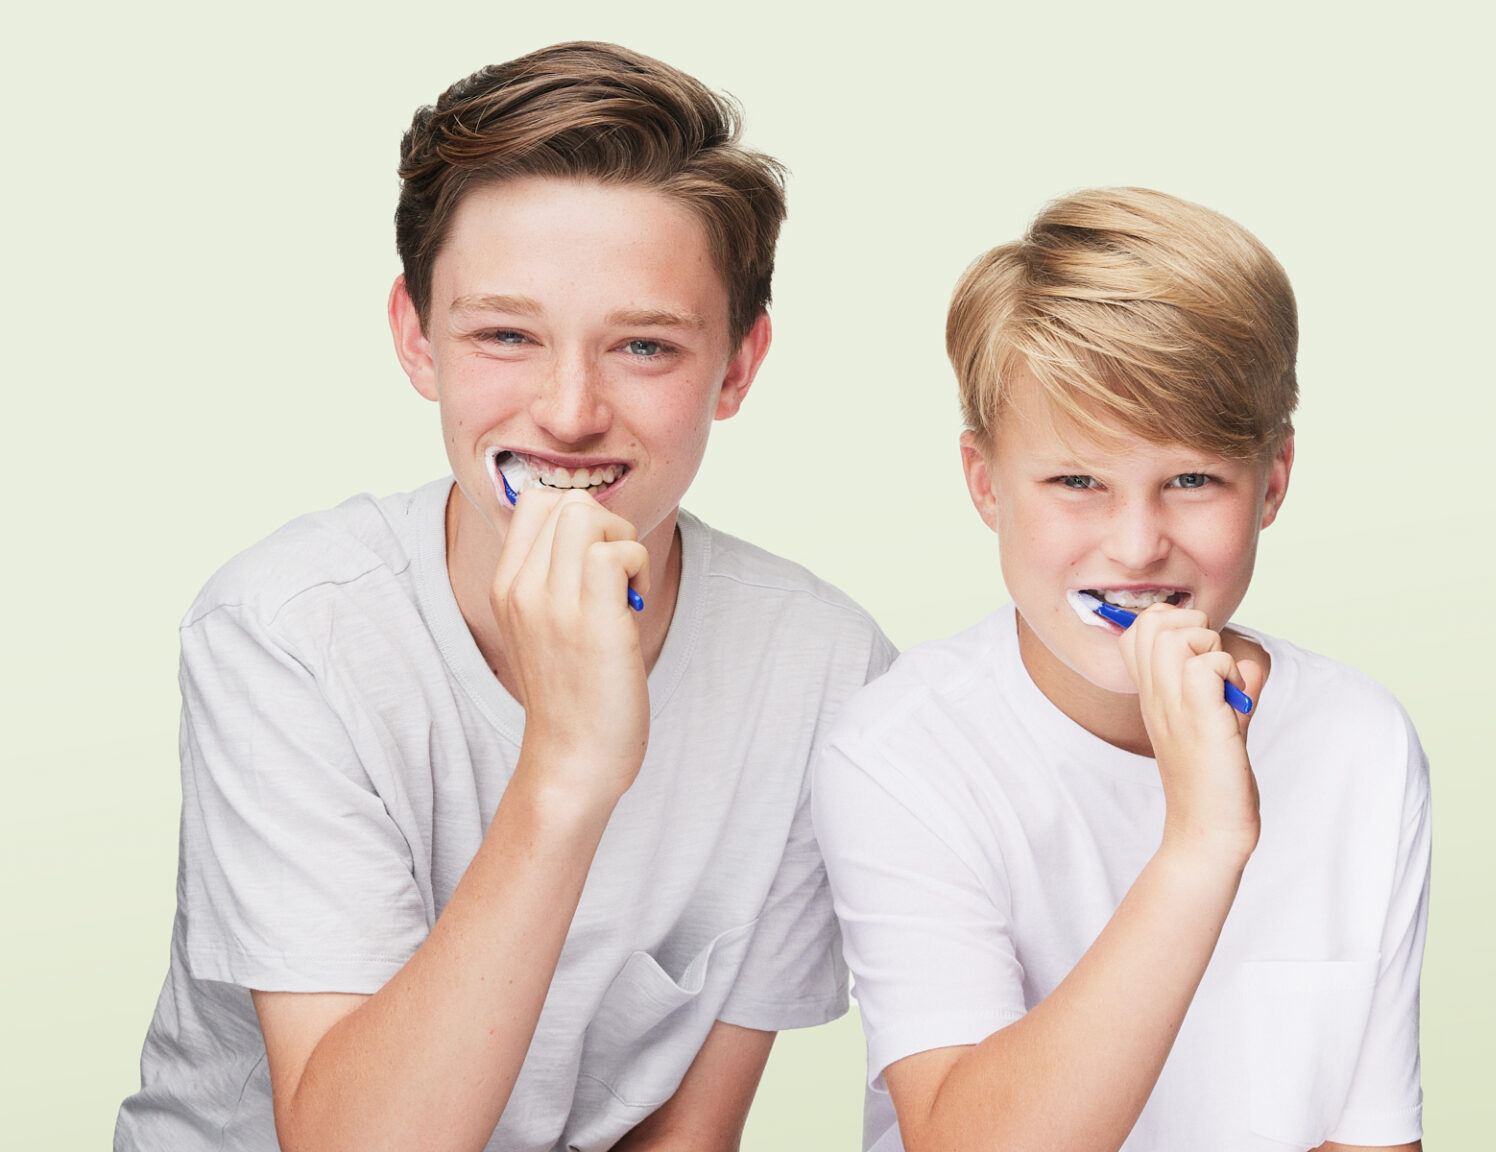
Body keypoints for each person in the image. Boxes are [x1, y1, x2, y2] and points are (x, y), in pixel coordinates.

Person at [116, 42, 893, 1152]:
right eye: (506, 336)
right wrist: (567, 768)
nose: (568, 412)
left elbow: (688, 1136)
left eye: (644, 346)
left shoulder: (822, 670)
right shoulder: (287, 631)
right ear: (417, 337)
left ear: (736, 365)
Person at [813, 187, 1429, 1152]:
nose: (1137, 547)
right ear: (985, 483)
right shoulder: (900, 751)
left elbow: (1369, 1136)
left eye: (1191, 479)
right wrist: (1202, 844)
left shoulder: (1362, 743)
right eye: (1077, 481)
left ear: (1272, 482)